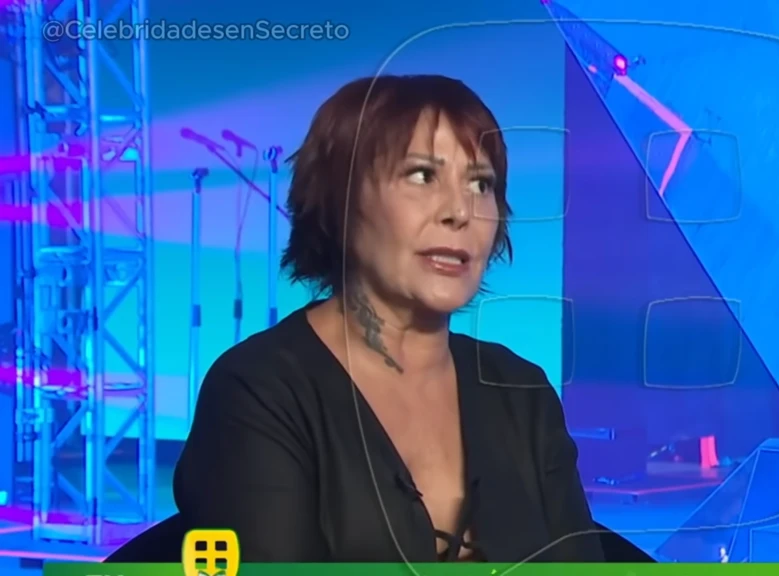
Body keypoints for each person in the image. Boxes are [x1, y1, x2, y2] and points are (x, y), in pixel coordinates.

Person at [173, 74, 605, 563]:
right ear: (341, 201)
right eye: (422, 176)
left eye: (480, 184)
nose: (460, 212)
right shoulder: (256, 393)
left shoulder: (521, 391)